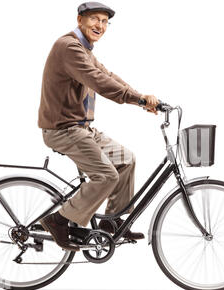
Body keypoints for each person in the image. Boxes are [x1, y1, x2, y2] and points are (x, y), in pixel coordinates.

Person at [37, 2, 159, 251]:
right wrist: (137, 99)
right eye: (95, 19)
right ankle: (58, 220)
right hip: (63, 130)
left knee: (126, 159)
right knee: (106, 176)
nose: (100, 26)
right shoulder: (69, 47)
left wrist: (142, 98)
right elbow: (100, 82)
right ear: (80, 19)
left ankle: (110, 224)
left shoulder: (84, 51)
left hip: (81, 129)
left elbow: (109, 76)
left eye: (104, 22)